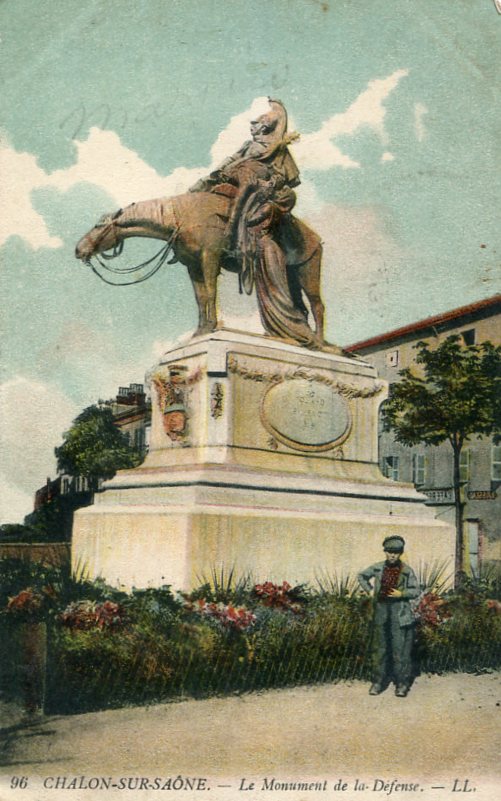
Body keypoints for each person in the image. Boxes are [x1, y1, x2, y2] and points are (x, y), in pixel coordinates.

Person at [190, 99, 320, 348]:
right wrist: (206, 181)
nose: (254, 127)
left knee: (246, 194)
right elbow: (227, 163)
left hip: (258, 193)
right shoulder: (247, 147)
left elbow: (285, 180)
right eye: (254, 124)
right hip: (236, 183)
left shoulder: (277, 149)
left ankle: (233, 235)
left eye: (259, 124)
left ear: (267, 128)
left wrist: (266, 181)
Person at [358, 536, 420, 697]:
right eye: (390, 552)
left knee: (400, 650)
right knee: (379, 647)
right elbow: (362, 576)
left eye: (396, 553)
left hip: (399, 612)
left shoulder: (406, 571)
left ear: (401, 554)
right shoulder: (378, 568)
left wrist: (402, 593)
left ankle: (402, 684)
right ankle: (378, 682)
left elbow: (416, 590)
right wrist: (370, 590)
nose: (392, 555)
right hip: (380, 611)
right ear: (385, 552)